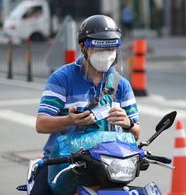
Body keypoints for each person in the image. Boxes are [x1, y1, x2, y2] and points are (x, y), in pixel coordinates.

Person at [30, 14, 140, 195]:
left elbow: (136, 133)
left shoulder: (121, 85)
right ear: (83, 47)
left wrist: (127, 123)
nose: (106, 54)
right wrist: (70, 120)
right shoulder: (62, 78)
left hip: (108, 166)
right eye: (99, 48)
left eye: (112, 48)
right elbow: (41, 124)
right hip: (63, 163)